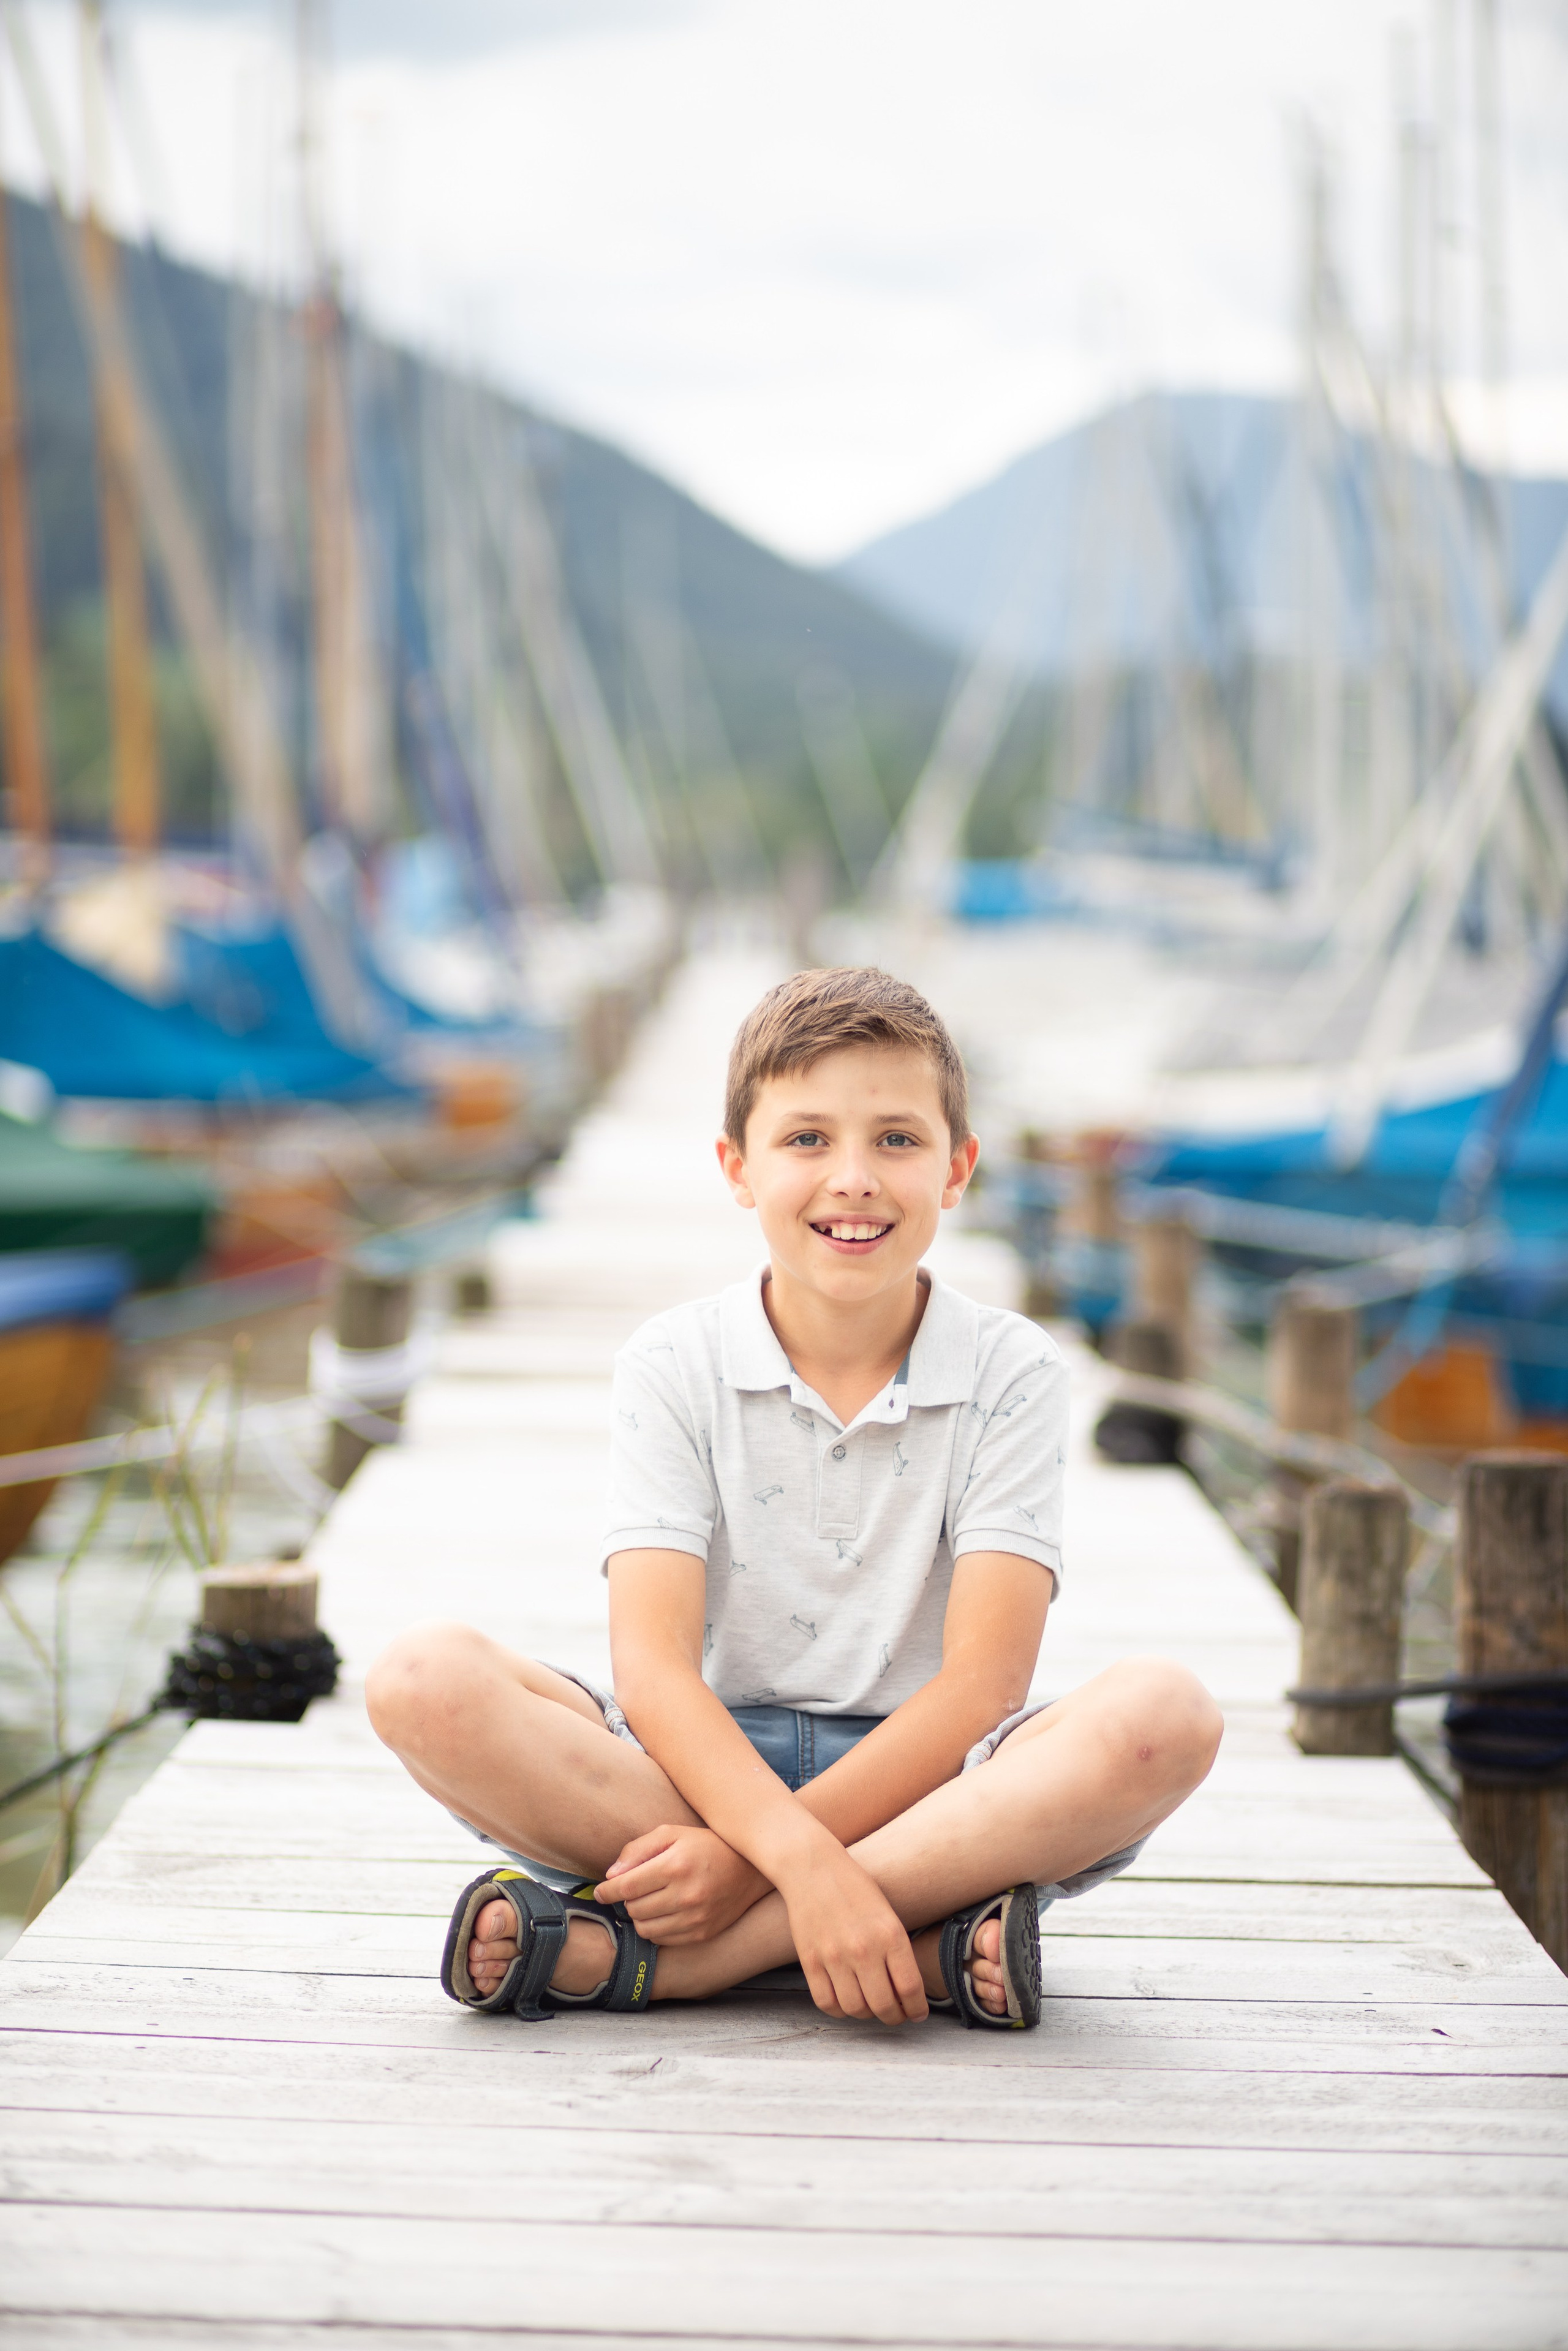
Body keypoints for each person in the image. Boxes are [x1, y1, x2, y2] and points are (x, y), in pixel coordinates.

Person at [367, 967, 1222, 2029]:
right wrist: (774, 1846)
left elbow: (983, 1684)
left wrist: (750, 1868)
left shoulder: (1013, 1371)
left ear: (958, 1169)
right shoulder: (674, 1361)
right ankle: (921, 1942)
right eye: (807, 1139)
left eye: (897, 1140)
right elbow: (655, 1668)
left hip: (932, 1785)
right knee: (420, 1680)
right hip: (692, 1770)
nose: (853, 1178)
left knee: (1165, 1718)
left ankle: (685, 1964)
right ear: (738, 1166)